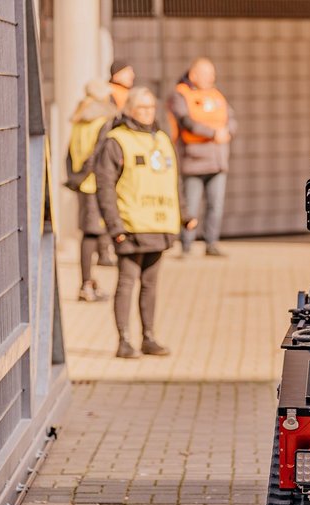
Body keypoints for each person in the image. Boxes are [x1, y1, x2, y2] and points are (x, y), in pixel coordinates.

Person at [96, 87, 198, 358]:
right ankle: (124, 341)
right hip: (130, 226)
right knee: (127, 282)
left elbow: (172, 182)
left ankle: (148, 337)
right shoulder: (116, 141)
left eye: (150, 107)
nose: (146, 113)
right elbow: (104, 187)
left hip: (159, 224)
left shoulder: (162, 139)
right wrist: (114, 226)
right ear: (129, 109)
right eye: (141, 108)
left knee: (151, 285)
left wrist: (184, 215)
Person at [167, 57, 237, 256]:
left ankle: (211, 243)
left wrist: (227, 132)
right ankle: (186, 245)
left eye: (212, 74)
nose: (212, 78)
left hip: (218, 162)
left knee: (216, 205)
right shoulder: (181, 95)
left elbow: (231, 119)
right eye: (207, 74)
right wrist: (213, 134)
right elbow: (186, 121)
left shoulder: (216, 95)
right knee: (191, 205)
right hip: (193, 161)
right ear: (193, 74)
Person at [65, 79, 118, 302]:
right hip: (94, 183)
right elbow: (96, 155)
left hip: (82, 183)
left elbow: (69, 153)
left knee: (89, 233)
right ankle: (86, 284)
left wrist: (73, 178)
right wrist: (86, 176)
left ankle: (88, 282)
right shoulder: (103, 120)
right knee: (91, 234)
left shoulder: (79, 119)